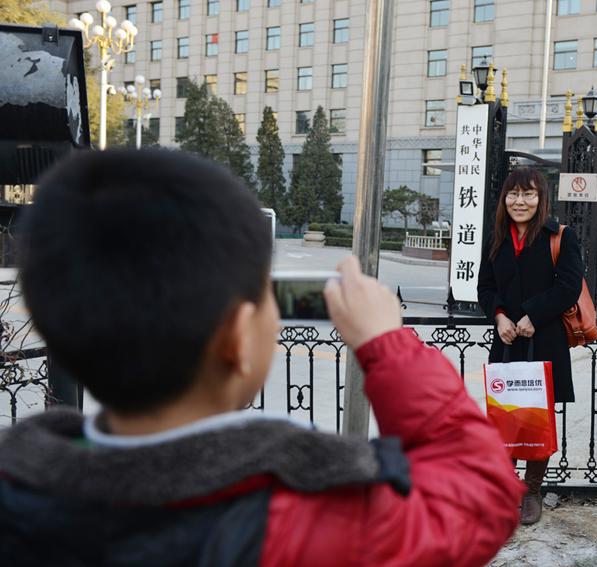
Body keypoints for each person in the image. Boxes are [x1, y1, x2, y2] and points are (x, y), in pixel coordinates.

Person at [0, 149, 525, 566]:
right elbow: (481, 490)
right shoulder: (320, 516)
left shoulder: (19, 488)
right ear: (236, 337)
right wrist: (386, 343)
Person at [477, 168, 584, 525]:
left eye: (529, 194)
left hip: (545, 340)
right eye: (513, 194)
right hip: (507, 340)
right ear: (504, 199)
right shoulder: (495, 237)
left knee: (538, 419)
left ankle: (532, 490)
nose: (520, 202)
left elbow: (569, 287)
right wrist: (500, 317)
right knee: (506, 417)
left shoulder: (560, 237)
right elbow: (486, 288)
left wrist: (533, 316)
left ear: (542, 199)